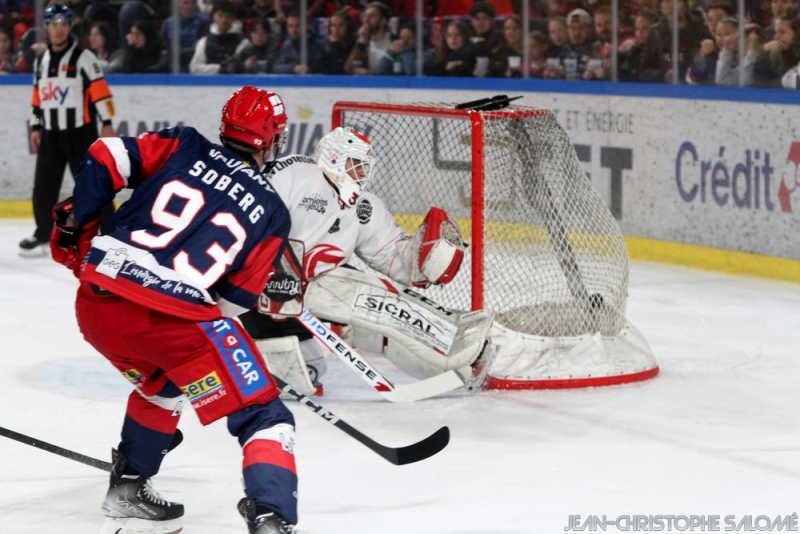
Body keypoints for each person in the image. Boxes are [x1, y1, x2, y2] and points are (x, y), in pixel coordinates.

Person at [49, 85, 299, 534]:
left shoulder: (183, 144)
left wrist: (79, 220)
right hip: (174, 321)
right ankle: (271, 517)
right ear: (273, 139)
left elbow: (105, 153)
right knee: (264, 413)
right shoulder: (273, 211)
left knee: (163, 384)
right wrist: (223, 358)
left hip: (97, 305)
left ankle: (128, 488)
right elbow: (232, 303)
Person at [238, 127, 492, 397]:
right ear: (334, 157)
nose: (361, 174)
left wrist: (422, 262)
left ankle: (455, 350)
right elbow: (249, 219)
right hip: (263, 286)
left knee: (380, 300)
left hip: (318, 281)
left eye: (364, 167)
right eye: (355, 164)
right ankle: (239, 358)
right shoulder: (294, 174)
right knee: (302, 377)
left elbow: (389, 255)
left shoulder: (362, 206)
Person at [19, 4, 116, 258]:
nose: (59, 29)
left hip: (80, 133)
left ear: (70, 26)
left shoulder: (83, 57)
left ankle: (110, 234)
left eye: (63, 24)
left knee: (93, 184)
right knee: (43, 187)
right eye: (54, 24)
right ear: (47, 28)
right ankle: (42, 234)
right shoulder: (41, 60)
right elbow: (37, 97)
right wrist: (36, 126)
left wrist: (107, 123)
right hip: (51, 133)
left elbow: (100, 92)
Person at [190, 0, 250, 74]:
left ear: (233, 18)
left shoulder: (243, 42)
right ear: (214, 16)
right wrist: (221, 68)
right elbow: (194, 68)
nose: (224, 20)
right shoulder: (204, 42)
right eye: (220, 15)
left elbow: (240, 67)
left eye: (228, 16)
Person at [344, 2, 393, 75]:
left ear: (383, 21)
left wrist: (372, 73)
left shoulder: (393, 41)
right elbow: (348, 69)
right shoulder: (360, 41)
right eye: (365, 16)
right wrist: (361, 43)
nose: (366, 20)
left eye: (372, 16)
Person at [311, 8, 355, 74]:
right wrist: (334, 45)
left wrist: (336, 45)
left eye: (341, 25)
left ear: (348, 26)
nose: (336, 29)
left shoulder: (353, 46)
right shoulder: (324, 47)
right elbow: (316, 67)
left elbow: (342, 69)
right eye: (333, 25)